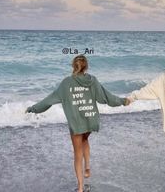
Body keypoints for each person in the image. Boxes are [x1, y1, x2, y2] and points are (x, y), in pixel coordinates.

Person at [26, 55, 129, 192]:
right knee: (85, 139)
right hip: (90, 119)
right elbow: (106, 97)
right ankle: (87, 167)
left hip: (76, 123)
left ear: (73, 66)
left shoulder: (66, 83)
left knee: (77, 154)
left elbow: (49, 100)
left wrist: (33, 108)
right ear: (86, 67)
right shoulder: (93, 81)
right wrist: (123, 101)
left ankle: (80, 188)